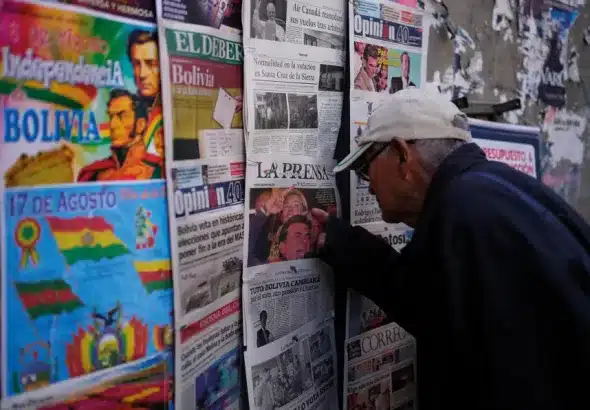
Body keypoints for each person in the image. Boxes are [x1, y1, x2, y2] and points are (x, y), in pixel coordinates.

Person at [314, 88, 590, 409]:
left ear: (403, 156)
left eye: (366, 169)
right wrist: (344, 243)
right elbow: (427, 298)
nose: (369, 184)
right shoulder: (491, 189)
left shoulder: (462, 213)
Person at [77, 89, 162, 181]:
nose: (113, 125)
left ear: (140, 125)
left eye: (122, 116)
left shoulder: (155, 165)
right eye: (111, 116)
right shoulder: (97, 171)